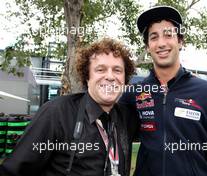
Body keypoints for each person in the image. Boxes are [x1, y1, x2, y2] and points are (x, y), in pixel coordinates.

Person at [119, 5, 207, 176]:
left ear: (180, 41)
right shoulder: (134, 93)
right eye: (154, 37)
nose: (161, 43)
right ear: (148, 46)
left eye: (168, 35)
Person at [0, 38, 136, 176]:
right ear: (87, 77)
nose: (110, 76)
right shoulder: (56, 112)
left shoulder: (126, 117)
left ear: (125, 78)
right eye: (100, 69)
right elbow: (13, 171)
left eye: (117, 70)